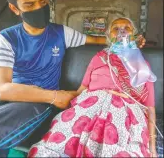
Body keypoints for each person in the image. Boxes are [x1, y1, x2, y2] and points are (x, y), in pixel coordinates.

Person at [0, 0, 146, 158]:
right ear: (15, 8)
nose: (38, 9)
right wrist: (56, 96)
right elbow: (1, 89)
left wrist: (130, 41)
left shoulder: (61, 33)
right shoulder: (6, 39)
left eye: (42, 2)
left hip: (36, 103)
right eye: (29, 4)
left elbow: (101, 41)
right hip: (4, 100)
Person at [28, 17, 157, 158]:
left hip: (126, 113)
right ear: (109, 35)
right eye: (116, 28)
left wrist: (152, 148)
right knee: (61, 139)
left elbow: (149, 107)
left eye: (127, 28)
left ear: (134, 35)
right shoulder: (99, 58)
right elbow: (80, 91)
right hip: (90, 106)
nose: (122, 31)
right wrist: (53, 96)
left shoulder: (142, 67)